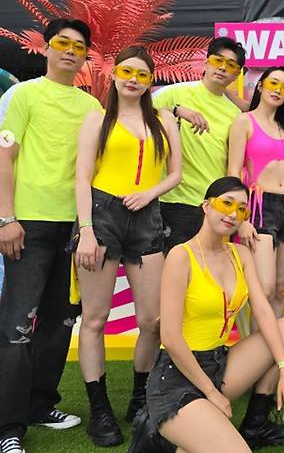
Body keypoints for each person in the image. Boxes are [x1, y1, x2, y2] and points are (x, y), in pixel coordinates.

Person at [127, 176, 284, 453]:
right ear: (206, 206)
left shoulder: (240, 254)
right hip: (177, 377)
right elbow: (170, 338)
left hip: (219, 364)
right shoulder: (181, 256)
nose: (233, 214)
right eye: (226, 204)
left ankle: (254, 425)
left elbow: (263, 311)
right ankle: (158, 428)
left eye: (241, 209)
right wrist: (212, 394)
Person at [0, 19, 101, 453]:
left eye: (79, 46)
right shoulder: (22, 95)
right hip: (28, 225)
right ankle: (8, 427)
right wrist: (6, 218)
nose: (70, 51)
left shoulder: (90, 106)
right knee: (17, 327)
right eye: (63, 43)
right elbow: (4, 157)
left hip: (73, 228)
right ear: (46, 48)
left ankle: (40, 404)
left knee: (60, 323)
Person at [73, 47, 182, 446]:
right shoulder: (96, 119)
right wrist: (87, 231)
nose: (133, 79)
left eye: (142, 74)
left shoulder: (164, 119)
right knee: (95, 318)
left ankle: (140, 398)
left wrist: (149, 193)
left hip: (147, 216)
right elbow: (82, 177)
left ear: (151, 80)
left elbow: (176, 173)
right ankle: (99, 408)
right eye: (126, 71)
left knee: (152, 320)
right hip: (101, 215)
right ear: (115, 75)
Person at [152, 37, 245, 252]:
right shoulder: (175, 93)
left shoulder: (236, 114)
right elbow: (136, 110)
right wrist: (176, 110)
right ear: (206, 62)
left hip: (212, 206)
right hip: (173, 200)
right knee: (171, 267)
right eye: (217, 60)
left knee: (206, 268)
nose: (222, 68)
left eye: (231, 65)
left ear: (237, 74)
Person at [228, 67, 284, 319]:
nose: (278, 90)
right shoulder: (244, 121)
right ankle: (258, 345)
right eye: (273, 83)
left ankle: (274, 346)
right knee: (264, 289)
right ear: (260, 86)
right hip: (260, 207)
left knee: (280, 290)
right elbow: (233, 171)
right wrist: (241, 219)